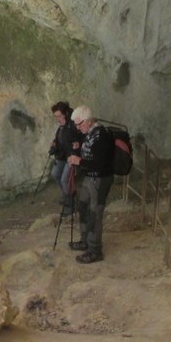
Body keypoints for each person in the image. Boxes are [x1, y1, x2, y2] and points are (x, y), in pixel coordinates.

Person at [66, 105, 114, 263]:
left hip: (100, 179)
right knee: (83, 206)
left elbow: (99, 163)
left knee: (95, 213)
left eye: (79, 124)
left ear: (87, 121)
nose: (77, 128)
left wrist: (79, 161)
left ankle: (95, 251)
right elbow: (89, 154)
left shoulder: (101, 136)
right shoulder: (89, 133)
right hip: (89, 177)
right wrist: (77, 152)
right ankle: (85, 240)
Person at [48, 101, 82, 213]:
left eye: (59, 115)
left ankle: (71, 205)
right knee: (55, 173)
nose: (57, 118)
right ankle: (68, 194)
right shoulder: (62, 123)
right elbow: (61, 136)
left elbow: (83, 134)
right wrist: (54, 143)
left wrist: (79, 143)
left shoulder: (74, 122)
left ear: (66, 113)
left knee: (65, 180)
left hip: (72, 155)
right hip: (62, 154)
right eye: (56, 116)